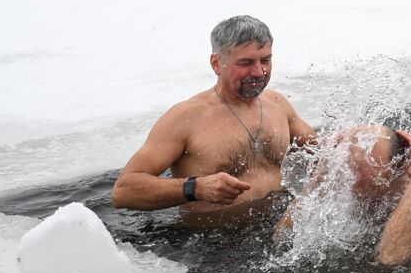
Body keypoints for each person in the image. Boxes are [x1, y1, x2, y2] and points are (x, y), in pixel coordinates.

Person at [112, 15, 317, 227]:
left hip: (276, 225)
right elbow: (123, 191)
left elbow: (324, 153)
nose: (259, 72)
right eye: (246, 63)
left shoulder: (277, 104)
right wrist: (197, 188)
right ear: (217, 63)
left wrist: (350, 141)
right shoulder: (186, 118)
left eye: (265, 60)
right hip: (213, 243)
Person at [275, 124, 411, 267]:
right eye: (352, 171)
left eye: (369, 180)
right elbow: (281, 239)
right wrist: (320, 175)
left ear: (402, 165)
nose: (355, 186)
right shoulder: (344, 177)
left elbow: (391, 259)